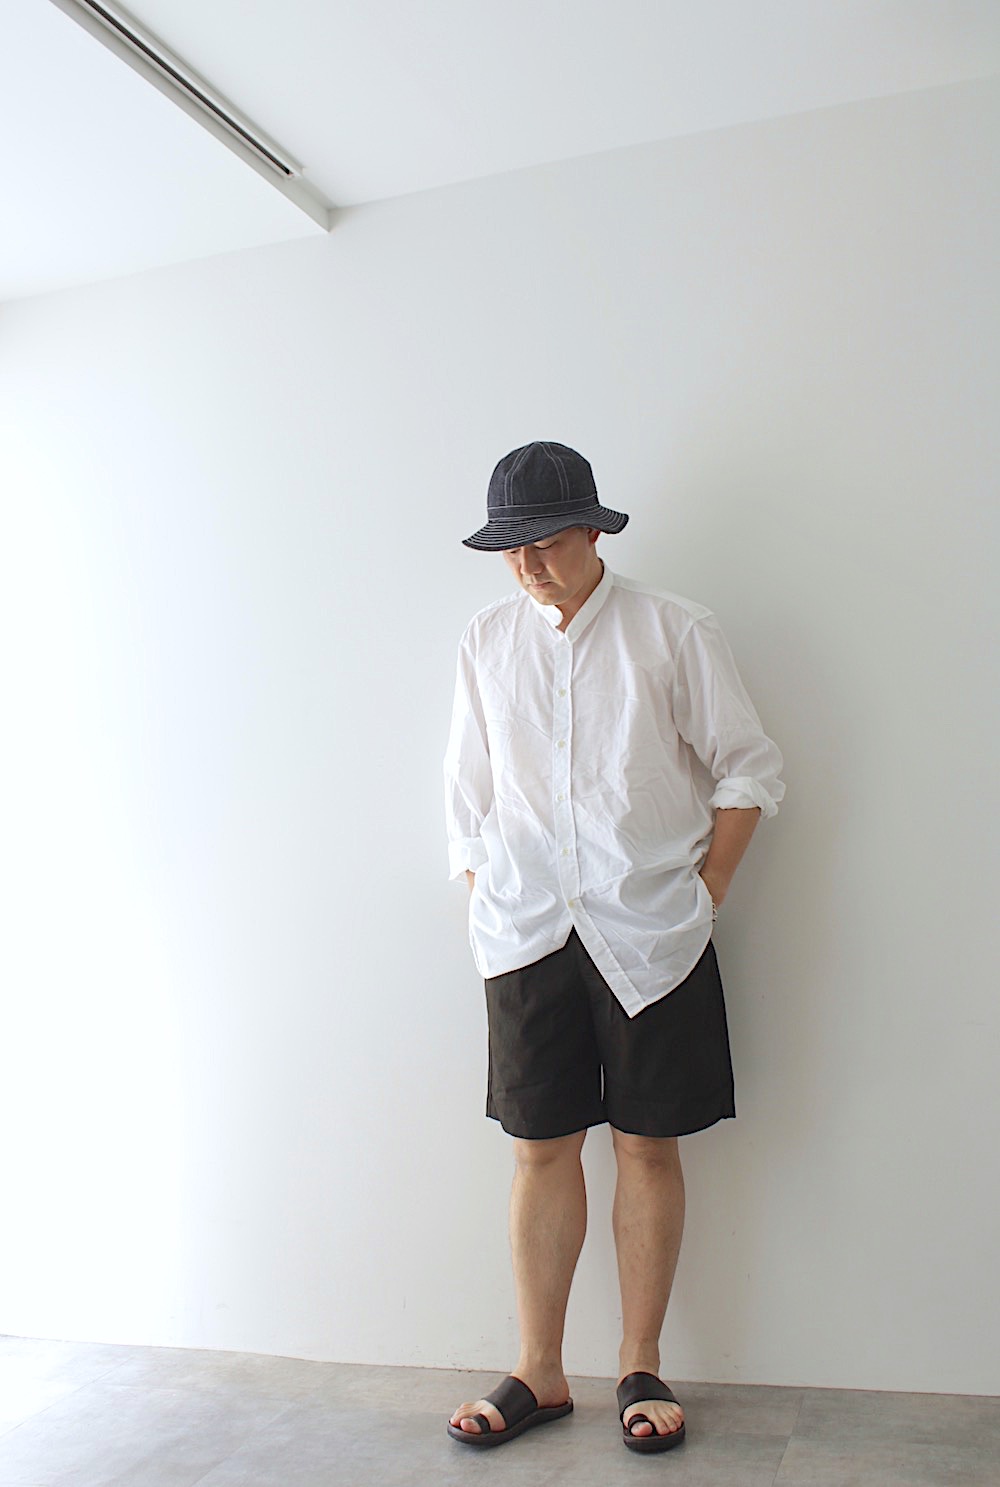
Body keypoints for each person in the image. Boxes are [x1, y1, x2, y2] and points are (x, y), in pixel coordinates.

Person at [443, 441, 784, 1453]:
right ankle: (539, 1371)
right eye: (509, 548)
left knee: (646, 1142)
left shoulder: (675, 630)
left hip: (651, 930)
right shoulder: (485, 639)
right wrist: (490, 890)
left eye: (544, 542)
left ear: (594, 530)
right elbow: (465, 795)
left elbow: (749, 768)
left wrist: (707, 891)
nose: (526, 564)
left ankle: (640, 1361)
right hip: (526, 932)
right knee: (538, 1147)